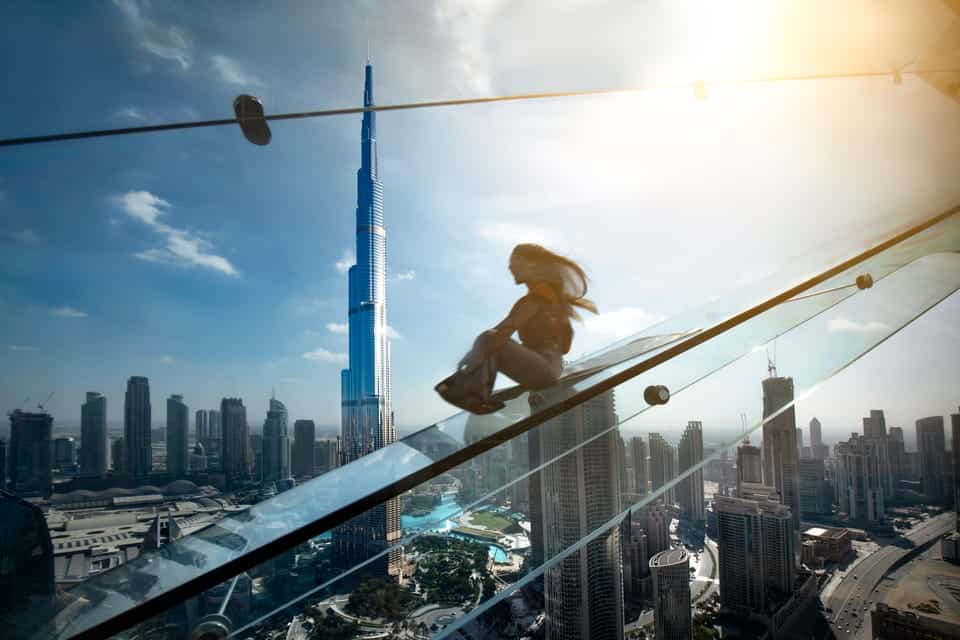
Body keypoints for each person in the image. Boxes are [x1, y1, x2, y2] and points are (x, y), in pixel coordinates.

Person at [435, 243, 597, 414]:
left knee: (490, 338)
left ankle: (468, 393)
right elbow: (565, 347)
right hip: (550, 368)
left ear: (533, 264)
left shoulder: (538, 297)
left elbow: (504, 330)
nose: (510, 267)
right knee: (491, 340)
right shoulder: (551, 299)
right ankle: (469, 392)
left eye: (516, 261)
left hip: (544, 370)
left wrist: (471, 360)